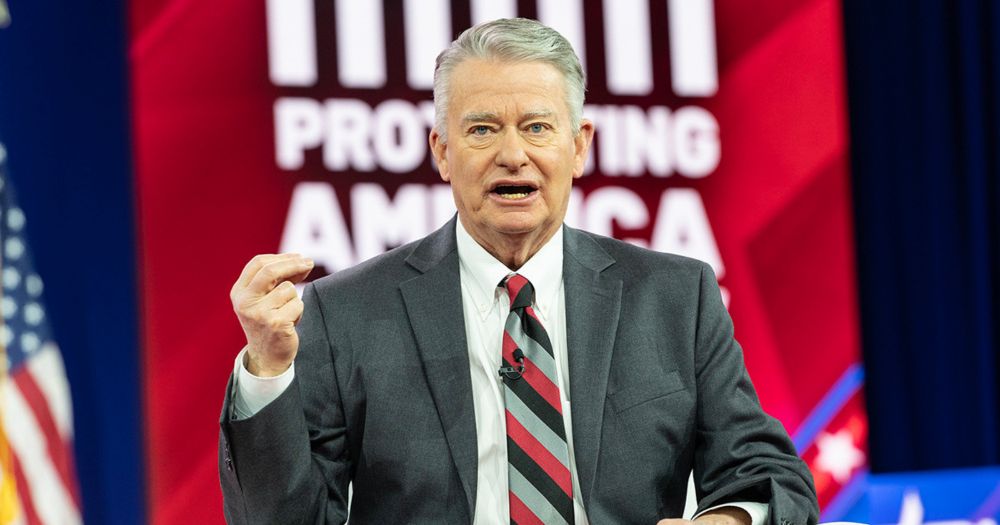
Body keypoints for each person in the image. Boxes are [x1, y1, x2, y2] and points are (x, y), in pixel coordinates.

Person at [219, 17, 818, 525]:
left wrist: (730, 521)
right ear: (442, 152)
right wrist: (266, 371)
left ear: (578, 146)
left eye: (537, 127)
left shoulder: (675, 297)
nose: (512, 154)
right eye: (482, 129)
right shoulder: (346, 311)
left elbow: (767, 473)